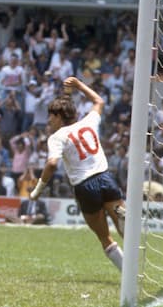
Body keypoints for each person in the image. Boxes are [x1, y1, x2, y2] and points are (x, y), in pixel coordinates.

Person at [30, 76, 125, 271]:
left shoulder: (56, 137)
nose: (48, 120)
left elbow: (52, 164)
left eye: (51, 116)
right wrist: (78, 84)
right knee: (126, 231)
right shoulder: (89, 122)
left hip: (85, 186)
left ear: (58, 116)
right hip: (106, 178)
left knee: (104, 237)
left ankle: (129, 273)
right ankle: (125, 227)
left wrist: (38, 189)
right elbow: (99, 101)